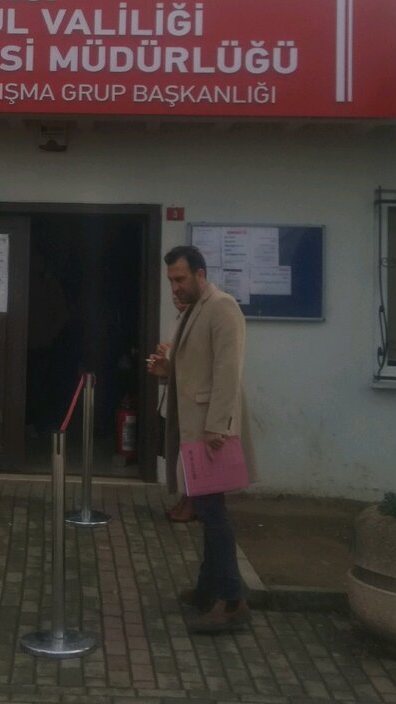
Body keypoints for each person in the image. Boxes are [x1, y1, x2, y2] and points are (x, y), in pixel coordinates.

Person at [148, 245, 253, 633]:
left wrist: (217, 428)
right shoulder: (193, 309)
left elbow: (228, 370)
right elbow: (194, 366)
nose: (174, 287)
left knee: (212, 512)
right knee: (208, 510)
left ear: (200, 274)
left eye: (180, 279)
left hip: (211, 433)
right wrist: (166, 369)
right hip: (194, 428)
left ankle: (231, 601)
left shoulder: (222, 307)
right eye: (170, 280)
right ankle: (209, 589)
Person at [156, 293, 197, 524]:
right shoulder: (176, 319)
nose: (176, 295)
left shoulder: (197, 320)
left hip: (191, 398)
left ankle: (193, 502)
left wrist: (168, 354)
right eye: (172, 289)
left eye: (180, 284)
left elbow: (191, 359)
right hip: (176, 393)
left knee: (191, 453)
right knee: (180, 451)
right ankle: (186, 498)